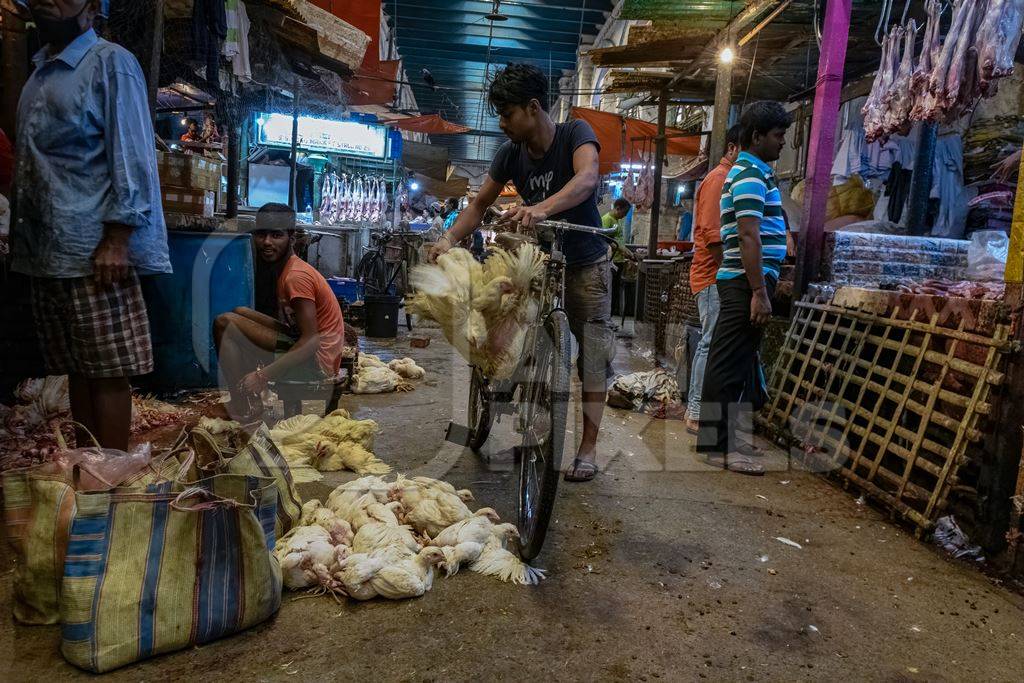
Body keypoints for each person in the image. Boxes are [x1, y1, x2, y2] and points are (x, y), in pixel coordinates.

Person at [429, 63, 611, 483]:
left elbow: (586, 180)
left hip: (586, 260)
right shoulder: (509, 154)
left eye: (507, 113)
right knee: (511, 337)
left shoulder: (575, 134)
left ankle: (587, 449)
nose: (502, 123)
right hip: (538, 261)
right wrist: (448, 239)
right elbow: (477, 205)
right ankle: (522, 412)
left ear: (532, 107)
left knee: (594, 356)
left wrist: (541, 207)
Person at [10, 0, 171, 450]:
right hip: (50, 253)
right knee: (78, 369)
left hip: (95, 250)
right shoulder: (40, 73)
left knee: (107, 372)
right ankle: (89, 465)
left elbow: (133, 156)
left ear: (90, 9)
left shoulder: (110, 64)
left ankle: (114, 478)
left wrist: (118, 238)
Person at [697, 102, 792, 476]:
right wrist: (759, 291)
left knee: (735, 359)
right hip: (743, 280)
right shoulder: (750, 174)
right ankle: (721, 446)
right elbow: (748, 235)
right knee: (730, 362)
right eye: (778, 135)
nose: (782, 143)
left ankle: (721, 441)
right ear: (757, 137)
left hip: (743, 279)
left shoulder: (754, 172)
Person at [213, 204, 345, 420]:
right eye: (262, 234)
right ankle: (248, 400)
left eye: (276, 235)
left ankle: (243, 404)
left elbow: (311, 341)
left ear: (291, 238)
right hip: (310, 348)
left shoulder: (296, 276)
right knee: (239, 312)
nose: (267, 242)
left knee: (223, 323)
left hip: (318, 363)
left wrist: (262, 375)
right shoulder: (288, 268)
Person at [685, 124, 742, 435]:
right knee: (709, 342)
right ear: (732, 148)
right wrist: (730, 273)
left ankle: (712, 415)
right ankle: (695, 411)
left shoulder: (733, 179)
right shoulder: (718, 179)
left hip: (721, 275)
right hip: (713, 276)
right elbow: (711, 233)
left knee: (716, 343)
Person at [603, 198, 634, 317]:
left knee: (615, 291)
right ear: (618, 208)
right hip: (611, 261)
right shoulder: (607, 219)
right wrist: (622, 249)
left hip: (619, 260)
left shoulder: (617, 220)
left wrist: (626, 251)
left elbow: (619, 240)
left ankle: (610, 317)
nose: (624, 216)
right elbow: (605, 239)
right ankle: (607, 317)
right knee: (609, 292)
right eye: (624, 213)